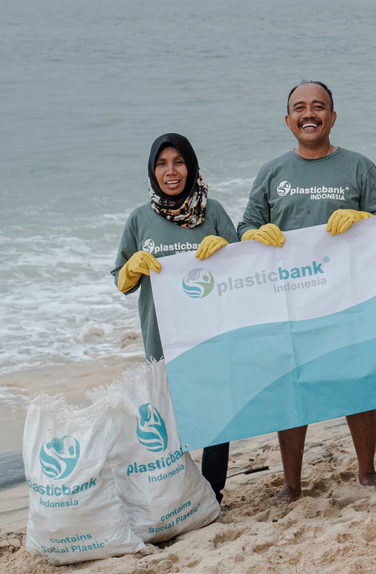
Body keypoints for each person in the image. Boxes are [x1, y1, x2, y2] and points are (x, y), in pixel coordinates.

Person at [236, 80, 376, 502]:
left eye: (318, 107)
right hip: (290, 301)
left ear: (333, 117)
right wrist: (257, 233)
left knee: (357, 382)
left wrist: (360, 217)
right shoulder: (272, 172)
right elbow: (245, 227)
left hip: (348, 297)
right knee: (294, 387)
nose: (310, 114)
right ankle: (291, 482)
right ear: (288, 120)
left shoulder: (359, 166)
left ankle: (367, 471)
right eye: (300, 108)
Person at [112, 133, 239, 504]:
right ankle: (177, 493)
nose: (171, 171)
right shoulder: (140, 219)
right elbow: (122, 283)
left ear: (191, 166)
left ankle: (213, 493)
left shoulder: (212, 211)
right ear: (152, 171)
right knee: (167, 419)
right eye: (162, 163)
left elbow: (243, 271)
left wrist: (228, 250)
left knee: (216, 417)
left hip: (211, 333)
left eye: (179, 162)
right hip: (162, 337)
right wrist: (133, 266)